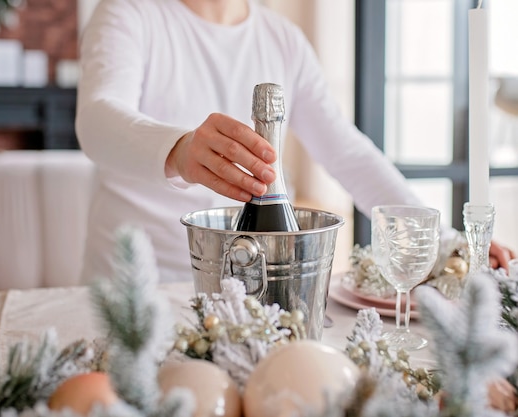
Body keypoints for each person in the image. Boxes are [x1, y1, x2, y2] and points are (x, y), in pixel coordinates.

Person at [76, 0, 514, 283]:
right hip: (137, 288)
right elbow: (96, 118)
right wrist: (180, 149)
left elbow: (347, 152)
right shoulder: (128, 13)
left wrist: (441, 239)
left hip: (255, 293)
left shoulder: (282, 38)